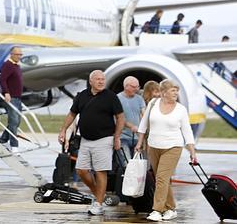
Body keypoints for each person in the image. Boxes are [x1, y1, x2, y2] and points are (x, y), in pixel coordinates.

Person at [58, 70, 125, 216]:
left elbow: (120, 117)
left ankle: (99, 204)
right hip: (86, 139)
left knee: (100, 171)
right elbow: (72, 114)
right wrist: (63, 130)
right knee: (81, 170)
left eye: (103, 79)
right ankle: (98, 194)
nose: (101, 82)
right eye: (98, 79)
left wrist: (117, 137)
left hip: (104, 139)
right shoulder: (82, 95)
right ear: (91, 81)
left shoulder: (111, 97)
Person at [135, 79, 197, 222]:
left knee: (162, 178)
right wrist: (140, 142)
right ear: (163, 92)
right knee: (162, 179)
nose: (176, 93)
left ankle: (157, 210)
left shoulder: (180, 109)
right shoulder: (153, 104)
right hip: (154, 146)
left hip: (173, 147)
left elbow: (187, 131)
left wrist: (192, 151)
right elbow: (144, 124)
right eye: (172, 90)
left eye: (176, 90)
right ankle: (170, 208)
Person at [0, 46, 24, 152]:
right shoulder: (8, 65)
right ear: (11, 54)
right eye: (17, 54)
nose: (19, 56)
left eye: (21, 55)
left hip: (18, 98)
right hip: (11, 98)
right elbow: (3, 80)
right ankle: (14, 145)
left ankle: (3, 139)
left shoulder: (16, 66)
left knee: (16, 121)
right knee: (13, 121)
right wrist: (6, 93)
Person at [117, 76, 146, 158]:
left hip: (137, 138)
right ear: (126, 86)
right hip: (122, 137)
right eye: (134, 87)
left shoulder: (139, 99)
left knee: (137, 164)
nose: (136, 89)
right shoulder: (117, 99)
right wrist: (131, 126)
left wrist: (142, 136)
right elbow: (118, 118)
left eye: (138, 87)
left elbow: (144, 116)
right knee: (127, 163)